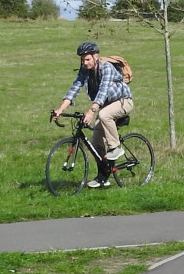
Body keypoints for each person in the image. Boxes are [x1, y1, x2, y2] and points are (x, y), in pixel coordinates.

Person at [53, 41, 134, 188]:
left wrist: (91, 111)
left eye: (87, 59)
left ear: (96, 56)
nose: (85, 62)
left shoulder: (107, 68)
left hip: (123, 102)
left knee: (103, 115)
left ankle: (115, 147)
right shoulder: (85, 70)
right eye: (82, 60)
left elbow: (103, 91)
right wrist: (60, 109)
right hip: (106, 105)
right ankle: (103, 177)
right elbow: (75, 88)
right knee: (96, 140)